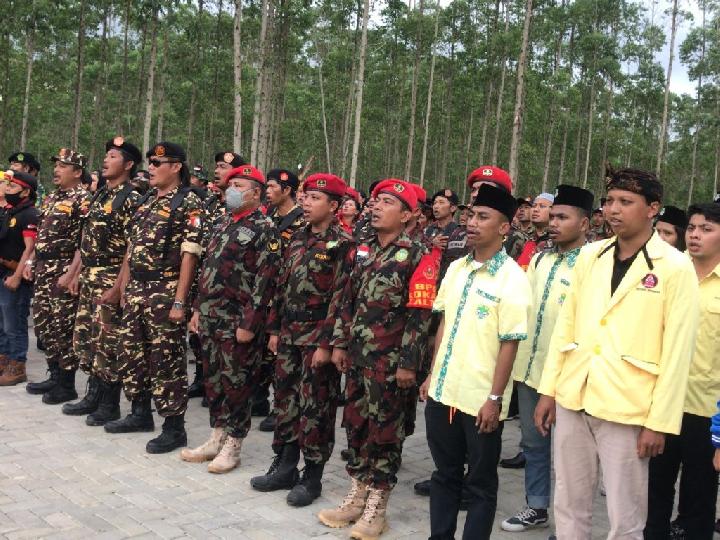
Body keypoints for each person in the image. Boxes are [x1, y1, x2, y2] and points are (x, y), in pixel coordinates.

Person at [535, 166, 699, 539]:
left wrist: (660, 422)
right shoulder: (591, 256)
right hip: (575, 394)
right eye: (609, 201)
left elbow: (677, 351)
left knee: (625, 514)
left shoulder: (675, 267)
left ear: (652, 208)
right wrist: (549, 391)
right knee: (569, 502)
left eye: (626, 202)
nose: (613, 210)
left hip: (629, 405)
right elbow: (567, 326)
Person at [318, 179, 431, 539]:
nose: (376, 206)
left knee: (385, 434)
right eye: (376, 200)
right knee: (356, 426)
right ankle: (357, 493)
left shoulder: (419, 254)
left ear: (408, 214)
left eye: (387, 202)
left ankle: (377, 506)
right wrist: (338, 343)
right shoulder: (364, 249)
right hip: (357, 358)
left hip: (391, 363)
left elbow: (421, 316)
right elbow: (346, 299)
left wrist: (409, 363)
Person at [419, 183, 529, 540]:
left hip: (480, 399)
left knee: (480, 483)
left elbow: (509, 343)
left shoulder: (512, 277)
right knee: (444, 474)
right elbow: (444, 324)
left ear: (503, 228)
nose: (471, 223)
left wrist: (495, 399)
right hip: (443, 391)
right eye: (470, 216)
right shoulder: (457, 269)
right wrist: (432, 376)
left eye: (483, 217)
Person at [251, 173, 355, 506]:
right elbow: (282, 286)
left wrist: (327, 344)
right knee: (285, 400)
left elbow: (342, 299)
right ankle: (284, 465)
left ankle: (312, 476)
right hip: (290, 334)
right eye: (305, 197)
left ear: (334, 206)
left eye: (315, 198)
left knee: (317, 407)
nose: (306, 203)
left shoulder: (344, 244)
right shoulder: (297, 238)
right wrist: (275, 329)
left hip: (317, 338)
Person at [501, 184, 593, 533]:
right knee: (533, 442)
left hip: (568, 374)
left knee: (570, 454)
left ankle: (570, 523)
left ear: (584, 223)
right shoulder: (539, 258)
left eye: (562, 217)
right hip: (529, 366)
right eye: (552, 216)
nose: (553, 223)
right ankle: (536, 506)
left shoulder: (594, 264)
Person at [104, 141, 203, 454]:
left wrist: (179, 301)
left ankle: (174, 427)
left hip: (164, 290)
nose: (152, 168)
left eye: (158, 163)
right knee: (132, 355)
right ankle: (139, 413)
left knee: (166, 361)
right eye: (150, 162)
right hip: (137, 290)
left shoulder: (188, 202)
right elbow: (131, 249)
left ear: (176, 167)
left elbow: (190, 255)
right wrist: (122, 287)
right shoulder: (146, 201)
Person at [181, 164, 280, 472]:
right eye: (230, 184)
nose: (232, 190)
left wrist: (250, 324)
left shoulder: (265, 228)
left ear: (256, 193)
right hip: (210, 316)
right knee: (213, 381)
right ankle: (216, 436)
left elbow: (266, 281)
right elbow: (207, 269)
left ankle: (234, 445)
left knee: (237, 382)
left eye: (239, 185)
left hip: (238, 321)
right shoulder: (222, 222)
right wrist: (197, 308)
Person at [644, 202, 720, 539]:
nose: (695, 235)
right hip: (664, 404)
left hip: (707, 408)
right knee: (654, 491)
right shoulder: (671, 274)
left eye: (706, 229)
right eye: (692, 228)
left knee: (700, 496)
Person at [60, 137, 142, 425]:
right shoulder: (100, 195)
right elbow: (86, 240)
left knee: (109, 341)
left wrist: (118, 288)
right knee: (87, 339)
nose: (106, 160)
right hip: (90, 275)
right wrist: (73, 273)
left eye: (113, 156)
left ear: (129, 164)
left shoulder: (131, 198)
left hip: (110, 276)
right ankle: (93, 394)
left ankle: (110, 403)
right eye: (106, 155)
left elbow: (131, 250)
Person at [25, 148, 90, 403]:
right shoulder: (52, 198)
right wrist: (31, 261)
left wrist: (73, 273)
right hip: (44, 267)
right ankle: (53, 374)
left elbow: (83, 241)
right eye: (57, 165)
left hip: (63, 269)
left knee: (64, 326)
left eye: (63, 166)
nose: (57, 169)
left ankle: (66, 382)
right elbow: (41, 234)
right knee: (44, 324)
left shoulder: (83, 199)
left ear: (77, 172)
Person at [187, 152, 247, 404]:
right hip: (203, 278)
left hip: (228, 292)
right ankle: (201, 379)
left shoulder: (239, 206)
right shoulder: (208, 203)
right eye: (218, 167)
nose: (217, 171)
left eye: (223, 167)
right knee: (198, 336)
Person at [254, 168, 305, 430]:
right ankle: (260, 399)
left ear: (287, 190)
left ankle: (281, 408)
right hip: (264, 292)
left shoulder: (301, 223)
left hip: (284, 295)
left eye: (272, 187)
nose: (267, 191)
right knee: (263, 351)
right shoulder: (268, 217)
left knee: (280, 355)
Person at [0, 171, 39, 386]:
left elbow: (29, 249)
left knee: (14, 324)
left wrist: (16, 276)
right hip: (3, 273)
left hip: (14, 276)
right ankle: (4, 358)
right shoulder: (10, 212)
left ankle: (17, 365)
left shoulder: (29, 214)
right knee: (3, 323)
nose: (7, 189)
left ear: (26, 191)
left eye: (13, 187)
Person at [515, 193, 553, 270]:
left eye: (542, 206)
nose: (535, 209)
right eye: (534, 206)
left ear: (554, 211)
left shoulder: (556, 243)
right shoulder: (526, 239)